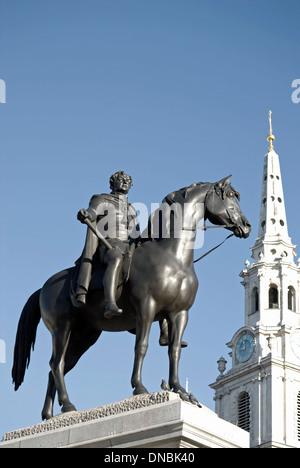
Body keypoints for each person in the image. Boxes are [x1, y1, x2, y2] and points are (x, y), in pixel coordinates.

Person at [76, 171, 139, 319]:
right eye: (120, 180)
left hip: (128, 246)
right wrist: (86, 214)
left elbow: (135, 234)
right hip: (109, 244)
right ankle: (110, 304)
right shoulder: (103, 200)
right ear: (112, 183)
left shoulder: (131, 208)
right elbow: (92, 212)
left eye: (127, 181)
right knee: (115, 258)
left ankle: (164, 327)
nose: (124, 183)